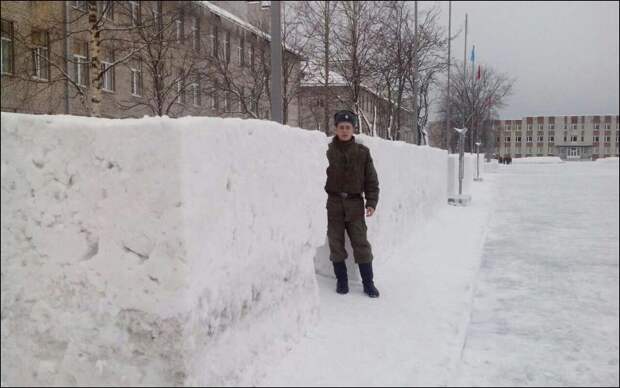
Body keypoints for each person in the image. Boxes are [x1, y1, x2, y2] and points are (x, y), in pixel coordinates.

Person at [324, 110, 380, 298]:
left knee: (361, 243)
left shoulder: (362, 152)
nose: (345, 130)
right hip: (333, 203)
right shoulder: (327, 150)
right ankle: (342, 281)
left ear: (353, 129)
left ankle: (368, 283)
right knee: (336, 243)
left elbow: (371, 180)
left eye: (348, 127)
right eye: (341, 127)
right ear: (336, 129)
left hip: (355, 203)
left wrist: (371, 202)